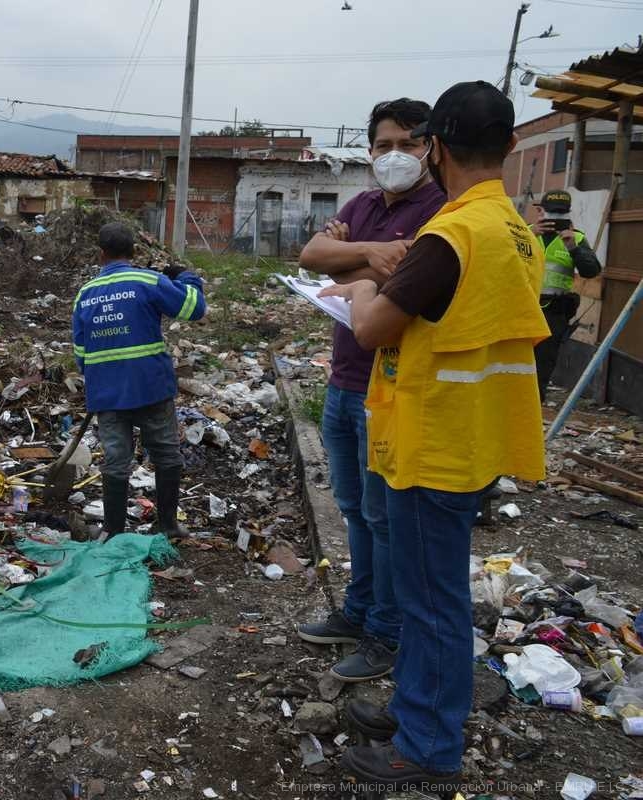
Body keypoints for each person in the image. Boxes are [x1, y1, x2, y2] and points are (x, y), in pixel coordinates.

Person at [319, 81, 549, 789]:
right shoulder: (516, 230)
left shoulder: (452, 236)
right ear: (511, 144)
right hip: (474, 433)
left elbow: (370, 327)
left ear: (437, 147)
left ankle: (427, 747)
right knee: (431, 594)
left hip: (432, 442)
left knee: (430, 601)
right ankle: (414, 707)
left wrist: (360, 287)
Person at [296, 99, 445, 682]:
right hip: (343, 381)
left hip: (392, 387)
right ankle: (357, 612)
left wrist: (346, 262)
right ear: (369, 151)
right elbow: (311, 256)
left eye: (409, 144)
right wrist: (370, 255)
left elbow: (406, 276)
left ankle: (387, 632)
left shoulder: (440, 209)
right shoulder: (362, 205)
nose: (395, 155)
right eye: (384, 145)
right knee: (354, 509)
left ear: (431, 148)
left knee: (386, 519)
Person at [72, 222, 206, 539]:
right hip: (151, 388)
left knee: (116, 461)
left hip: (107, 394)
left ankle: (113, 531)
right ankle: (169, 525)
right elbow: (194, 307)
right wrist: (186, 277)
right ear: (134, 251)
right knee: (166, 454)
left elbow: (81, 354)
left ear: (101, 254)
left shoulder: (85, 294)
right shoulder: (148, 281)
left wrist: (101, 379)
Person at [531, 190, 602, 401]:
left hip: (554, 313)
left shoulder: (576, 239)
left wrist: (573, 248)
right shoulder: (525, 233)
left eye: (561, 214)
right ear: (540, 211)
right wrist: (530, 234)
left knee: (543, 365)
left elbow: (591, 271)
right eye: (552, 213)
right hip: (522, 309)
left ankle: (534, 406)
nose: (556, 218)